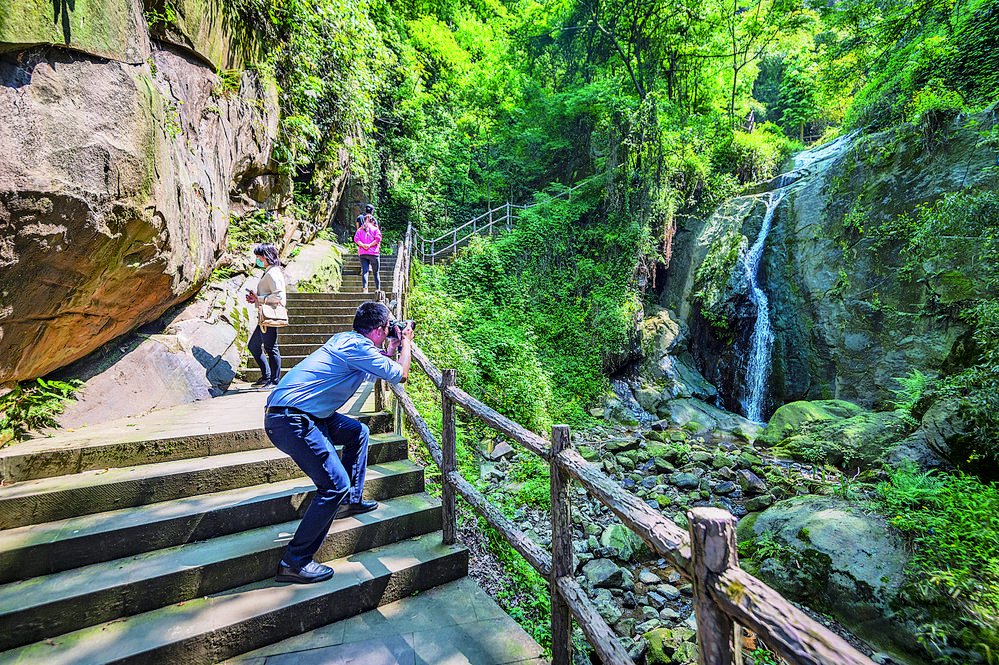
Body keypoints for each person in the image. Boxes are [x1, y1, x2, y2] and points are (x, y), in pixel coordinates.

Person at [264, 302, 414, 584]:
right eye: (388, 328)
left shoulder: (348, 341)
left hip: (306, 413)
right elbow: (401, 374)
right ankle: (294, 562)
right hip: (292, 419)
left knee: (357, 432)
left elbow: (377, 369)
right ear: (381, 329)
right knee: (333, 485)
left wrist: (391, 346)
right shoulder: (357, 348)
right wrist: (406, 342)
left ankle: (349, 501)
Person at [245, 243, 286, 388]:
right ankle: (267, 376)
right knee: (254, 346)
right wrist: (256, 298)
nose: (257, 260)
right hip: (265, 315)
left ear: (266, 257)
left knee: (271, 347)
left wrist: (259, 298)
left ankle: (275, 380)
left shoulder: (273, 273)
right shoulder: (269, 271)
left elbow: (279, 296)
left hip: (270, 314)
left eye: (259, 257)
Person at [353, 213, 382, 292]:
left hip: (363, 253)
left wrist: (363, 245)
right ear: (372, 221)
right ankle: (378, 289)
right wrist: (369, 245)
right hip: (373, 253)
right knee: (376, 272)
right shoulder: (375, 229)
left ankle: (365, 289)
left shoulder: (360, 230)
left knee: (365, 271)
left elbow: (356, 239)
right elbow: (378, 239)